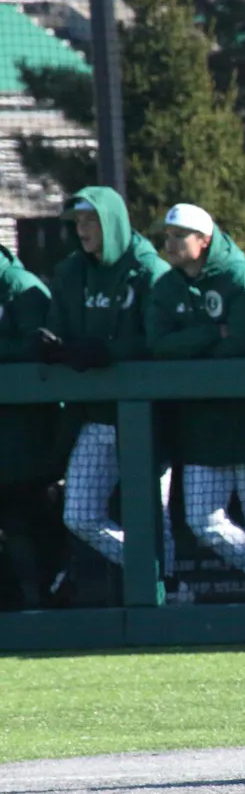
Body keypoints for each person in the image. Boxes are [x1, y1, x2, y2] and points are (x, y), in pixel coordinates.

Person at [148, 203, 245, 605]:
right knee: (201, 520)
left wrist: (193, 344)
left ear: (205, 240)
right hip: (201, 428)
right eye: (168, 236)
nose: (171, 243)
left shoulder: (241, 278)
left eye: (180, 236)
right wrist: (213, 331)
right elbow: (159, 346)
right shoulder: (165, 287)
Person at [41, 187, 177, 602]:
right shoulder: (70, 272)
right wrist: (54, 347)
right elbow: (56, 328)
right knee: (79, 514)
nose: (82, 230)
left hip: (147, 419)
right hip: (96, 418)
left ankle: (167, 595)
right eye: (78, 223)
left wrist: (106, 352)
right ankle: (156, 575)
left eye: (90, 221)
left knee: (159, 518)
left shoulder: (149, 271)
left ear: (111, 222)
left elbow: (158, 341)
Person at [0, 244, 65, 610]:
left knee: (24, 523)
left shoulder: (21, 287)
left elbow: (36, 346)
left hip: (27, 443)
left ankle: (37, 604)